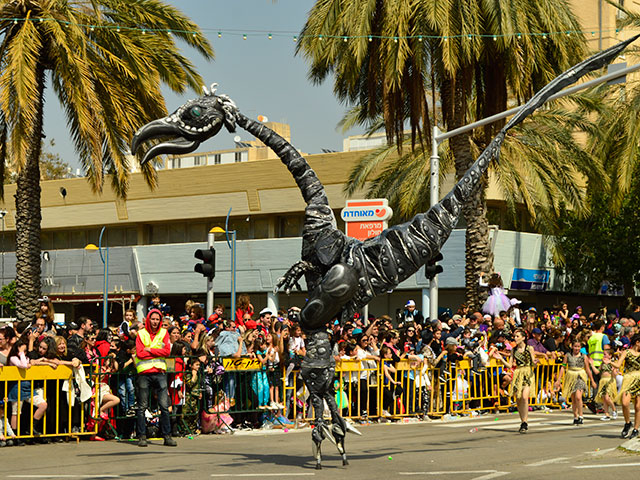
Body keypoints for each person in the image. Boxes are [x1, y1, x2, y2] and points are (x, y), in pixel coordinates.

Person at [134, 308, 177, 447]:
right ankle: (142, 436)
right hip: (144, 374)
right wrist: (157, 353)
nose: (155, 322)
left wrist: (150, 350)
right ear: (148, 319)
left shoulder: (164, 333)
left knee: (164, 407)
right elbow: (139, 354)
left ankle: (167, 436)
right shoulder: (141, 333)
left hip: (159, 373)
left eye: (157, 319)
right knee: (142, 407)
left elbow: (166, 352)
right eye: (152, 319)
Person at [493, 328, 535, 433]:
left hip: (527, 373)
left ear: (523, 338)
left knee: (525, 397)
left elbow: (533, 362)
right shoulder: (514, 350)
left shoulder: (529, 348)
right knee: (519, 398)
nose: (515, 338)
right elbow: (510, 365)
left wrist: (536, 362)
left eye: (517, 336)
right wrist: (501, 359)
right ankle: (523, 421)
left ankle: (525, 422)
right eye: (515, 336)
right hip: (518, 373)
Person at [555, 340, 596, 425]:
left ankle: (581, 416)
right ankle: (575, 416)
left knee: (578, 397)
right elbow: (563, 367)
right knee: (573, 399)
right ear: (572, 346)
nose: (577, 348)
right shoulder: (567, 355)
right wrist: (559, 379)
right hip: (570, 376)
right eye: (575, 346)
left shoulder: (584, 357)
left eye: (578, 346)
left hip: (580, 376)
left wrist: (592, 380)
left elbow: (587, 369)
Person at [613, 333, 640, 439]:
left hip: (639, 380)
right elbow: (618, 365)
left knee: (638, 406)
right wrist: (610, 362)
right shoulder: (627, 352)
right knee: (625, 402)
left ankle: (636, 428)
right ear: (637, 342)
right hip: (629, 379)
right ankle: (628, 423)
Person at [593, 346, 618, 421]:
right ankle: (607, 414)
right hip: (602, 380)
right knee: (604, 398)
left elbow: (615, 373)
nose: (604, 356)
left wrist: (614, 371)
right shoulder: (602, 363)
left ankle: (614, 409)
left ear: (610, 355)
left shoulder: (612, 363)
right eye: (603, 354)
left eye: (605, 354)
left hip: (609, 380)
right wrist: (591, 364)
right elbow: (597, 372)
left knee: (607, 397)